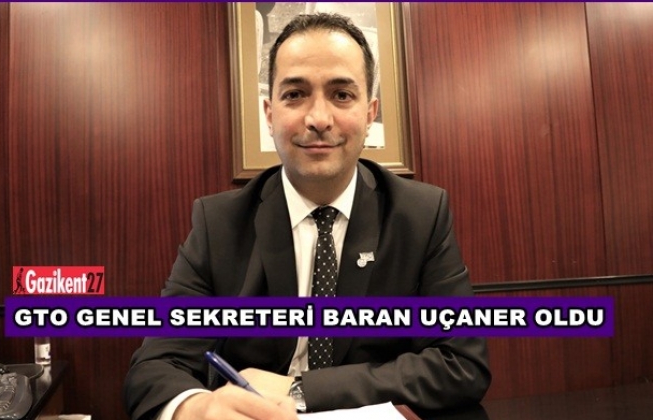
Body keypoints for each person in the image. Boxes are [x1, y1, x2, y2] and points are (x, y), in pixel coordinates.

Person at [123, 13, 491, 420]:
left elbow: (461, 364)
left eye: (342, 95)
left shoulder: (420, 215)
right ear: (269, 113)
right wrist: (196, 408)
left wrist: (303, 390)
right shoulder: (220, 223)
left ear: (370, 113)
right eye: (295, 94)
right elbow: (156, 366)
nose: (318, 119)